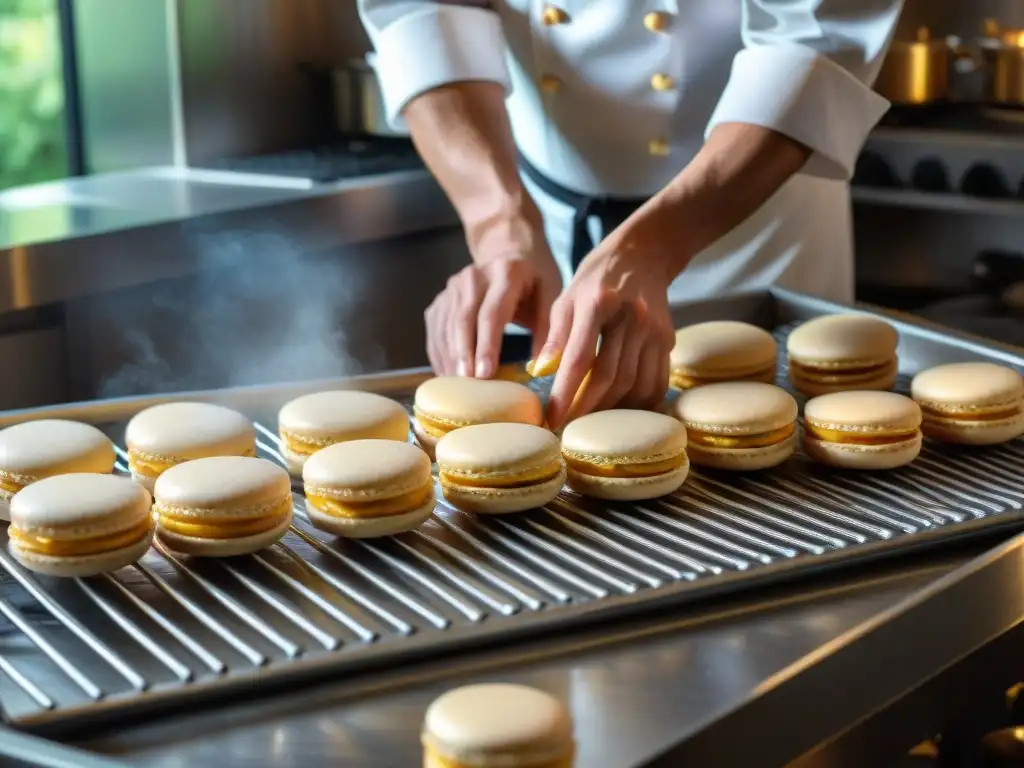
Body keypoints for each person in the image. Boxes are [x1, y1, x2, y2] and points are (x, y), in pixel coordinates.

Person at [358, 0, 904, 429]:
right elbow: (423, 16)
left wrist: (657, 244)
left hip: (753, 208)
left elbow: (814, 43)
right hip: (545, 206)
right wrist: (498, 224)